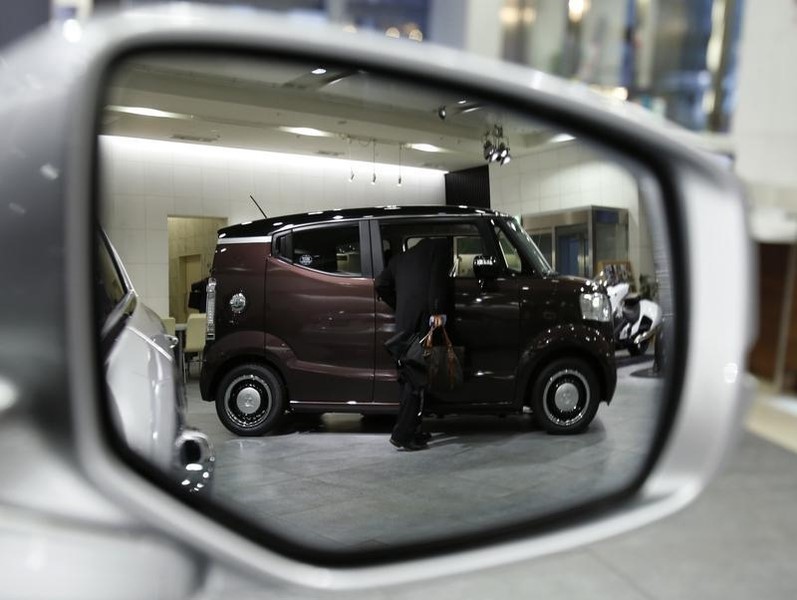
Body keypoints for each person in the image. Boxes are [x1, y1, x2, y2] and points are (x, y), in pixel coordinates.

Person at [375, 237, 452, 451]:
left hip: (404, 323)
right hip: (423, 323)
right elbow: (438, 283)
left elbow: (380, 283)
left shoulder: (400, 259)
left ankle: (414, 429)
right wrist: (438, 312)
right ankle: (402, 435)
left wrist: (398, 303)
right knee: (416, 379)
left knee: (406, 376)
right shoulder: (440, 249)